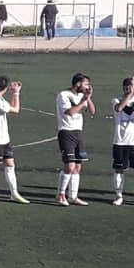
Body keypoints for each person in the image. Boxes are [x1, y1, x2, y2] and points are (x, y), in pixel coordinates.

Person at [0, 76, 29, 204]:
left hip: (4, 139)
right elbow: (16, 109)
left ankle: (14, 194)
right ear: (3, 88)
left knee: (10, 164)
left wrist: (14, 93)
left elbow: (12, 107)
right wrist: (16, 93)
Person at [54, 72, 95, 206]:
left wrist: (88, 98)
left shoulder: (82, 96)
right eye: (86, 84)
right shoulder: (63, 95)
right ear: (78, 84)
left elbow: (92, 111)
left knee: (77, 166)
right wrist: (83, 101)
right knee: (69, 166)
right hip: (66, 132)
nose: (88, 87)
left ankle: (73, 196)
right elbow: (70, 112)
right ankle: (61, 194)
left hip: (78, 133)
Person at [109, 76, 134, 207]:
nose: (128, 89)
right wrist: (129, 95)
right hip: (120, 141)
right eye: (126, 87)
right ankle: (119, 196)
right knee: (119, 170)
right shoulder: (116, 100)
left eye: (130, 87)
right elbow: (119, 108)